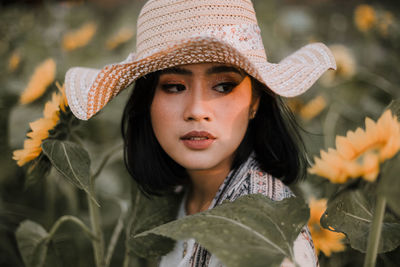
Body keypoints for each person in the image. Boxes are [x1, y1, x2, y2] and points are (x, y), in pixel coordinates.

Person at [64, 0, 336, 266]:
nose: (196, 110)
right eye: (174, 86)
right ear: (147, 102)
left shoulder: (264, 235)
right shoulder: (183, 197)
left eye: (222, 86)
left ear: (255, 101)